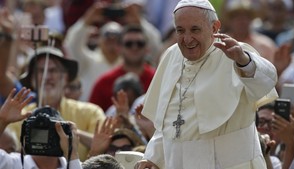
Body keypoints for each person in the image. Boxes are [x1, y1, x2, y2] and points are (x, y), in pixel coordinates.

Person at [134, 0, 278, 169]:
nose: (187, 39)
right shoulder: (170, 56)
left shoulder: (236, 53)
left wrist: (243, 61)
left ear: (215, 27)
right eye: (180, 30)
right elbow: (169, 123)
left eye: (195, 29)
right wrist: (153, 157)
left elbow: (266, 83)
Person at [9, 46, 106, 161]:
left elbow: (105, 145)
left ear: (65, 77)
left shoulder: (90, 112)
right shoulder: (19, 116)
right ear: (32, 80)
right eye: (40, 71)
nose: (47, 77)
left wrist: (66, 130)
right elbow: (8, 155)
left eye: (53, 70)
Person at [0, 88, 82, 169]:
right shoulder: (14, 164)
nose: (44, 140)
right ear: (27, 135)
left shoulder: (75, 165)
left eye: (52, 132)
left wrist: (72, 154)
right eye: (37, 133)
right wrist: (2, 121)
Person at [89, 24, 155, 112]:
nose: (134, 47)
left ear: (147, 48)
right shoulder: (104, 82)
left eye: (140, 44)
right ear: (119, 48)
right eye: (128, 44)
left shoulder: (157, 78)